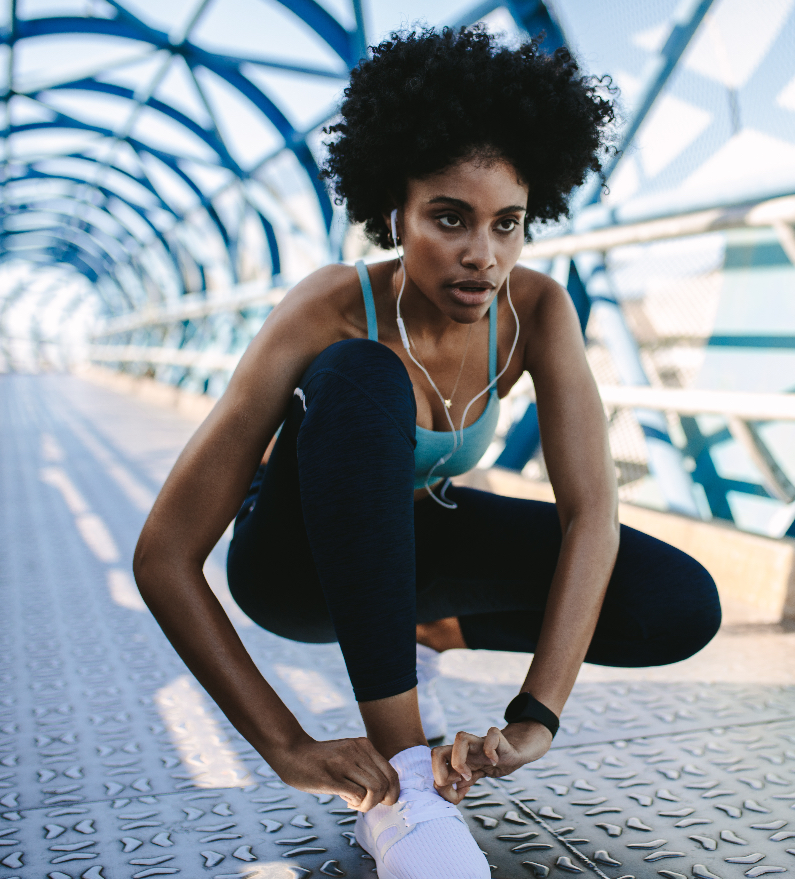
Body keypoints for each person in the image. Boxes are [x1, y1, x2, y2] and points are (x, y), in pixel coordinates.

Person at [133, 26, 720, 879]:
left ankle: (422, 632)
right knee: (362, 375)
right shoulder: (331, 305)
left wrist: (535, 716)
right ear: (392, 215)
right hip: (296, 568)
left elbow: (592, 510)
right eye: (450, 218)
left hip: (413, 544)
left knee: (674, 601)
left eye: (507, 223)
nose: (483, 254)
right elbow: (164, 556)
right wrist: (286, 745)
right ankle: (403, 791)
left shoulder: (540, 311)